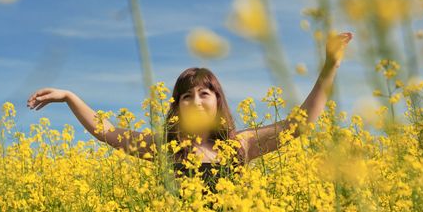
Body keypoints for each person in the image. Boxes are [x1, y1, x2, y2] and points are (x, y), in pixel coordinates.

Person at [26, 32, 353, 196]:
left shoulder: (241, 145)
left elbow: (299, 124)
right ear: (177, 107)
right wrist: (69, 97)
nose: (195, 101)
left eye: (204, 93)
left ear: (217, 101)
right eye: (186, 95)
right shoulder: (165, 148)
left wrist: (329, 68)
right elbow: (106, 131)